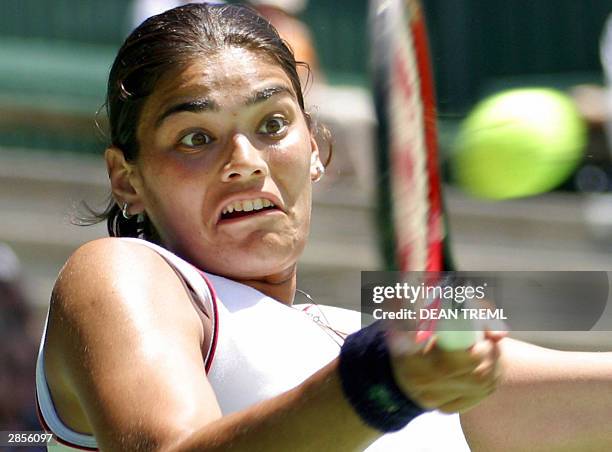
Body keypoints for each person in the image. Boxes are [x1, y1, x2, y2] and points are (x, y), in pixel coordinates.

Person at [36, 4, 612, 451]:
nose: (246, 159)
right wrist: (378, 383)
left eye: (273, 124)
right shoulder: (120, 273)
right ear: (126, 179)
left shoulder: (360, 328)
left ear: (314, 148)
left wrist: (398, 369)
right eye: (195, 137)